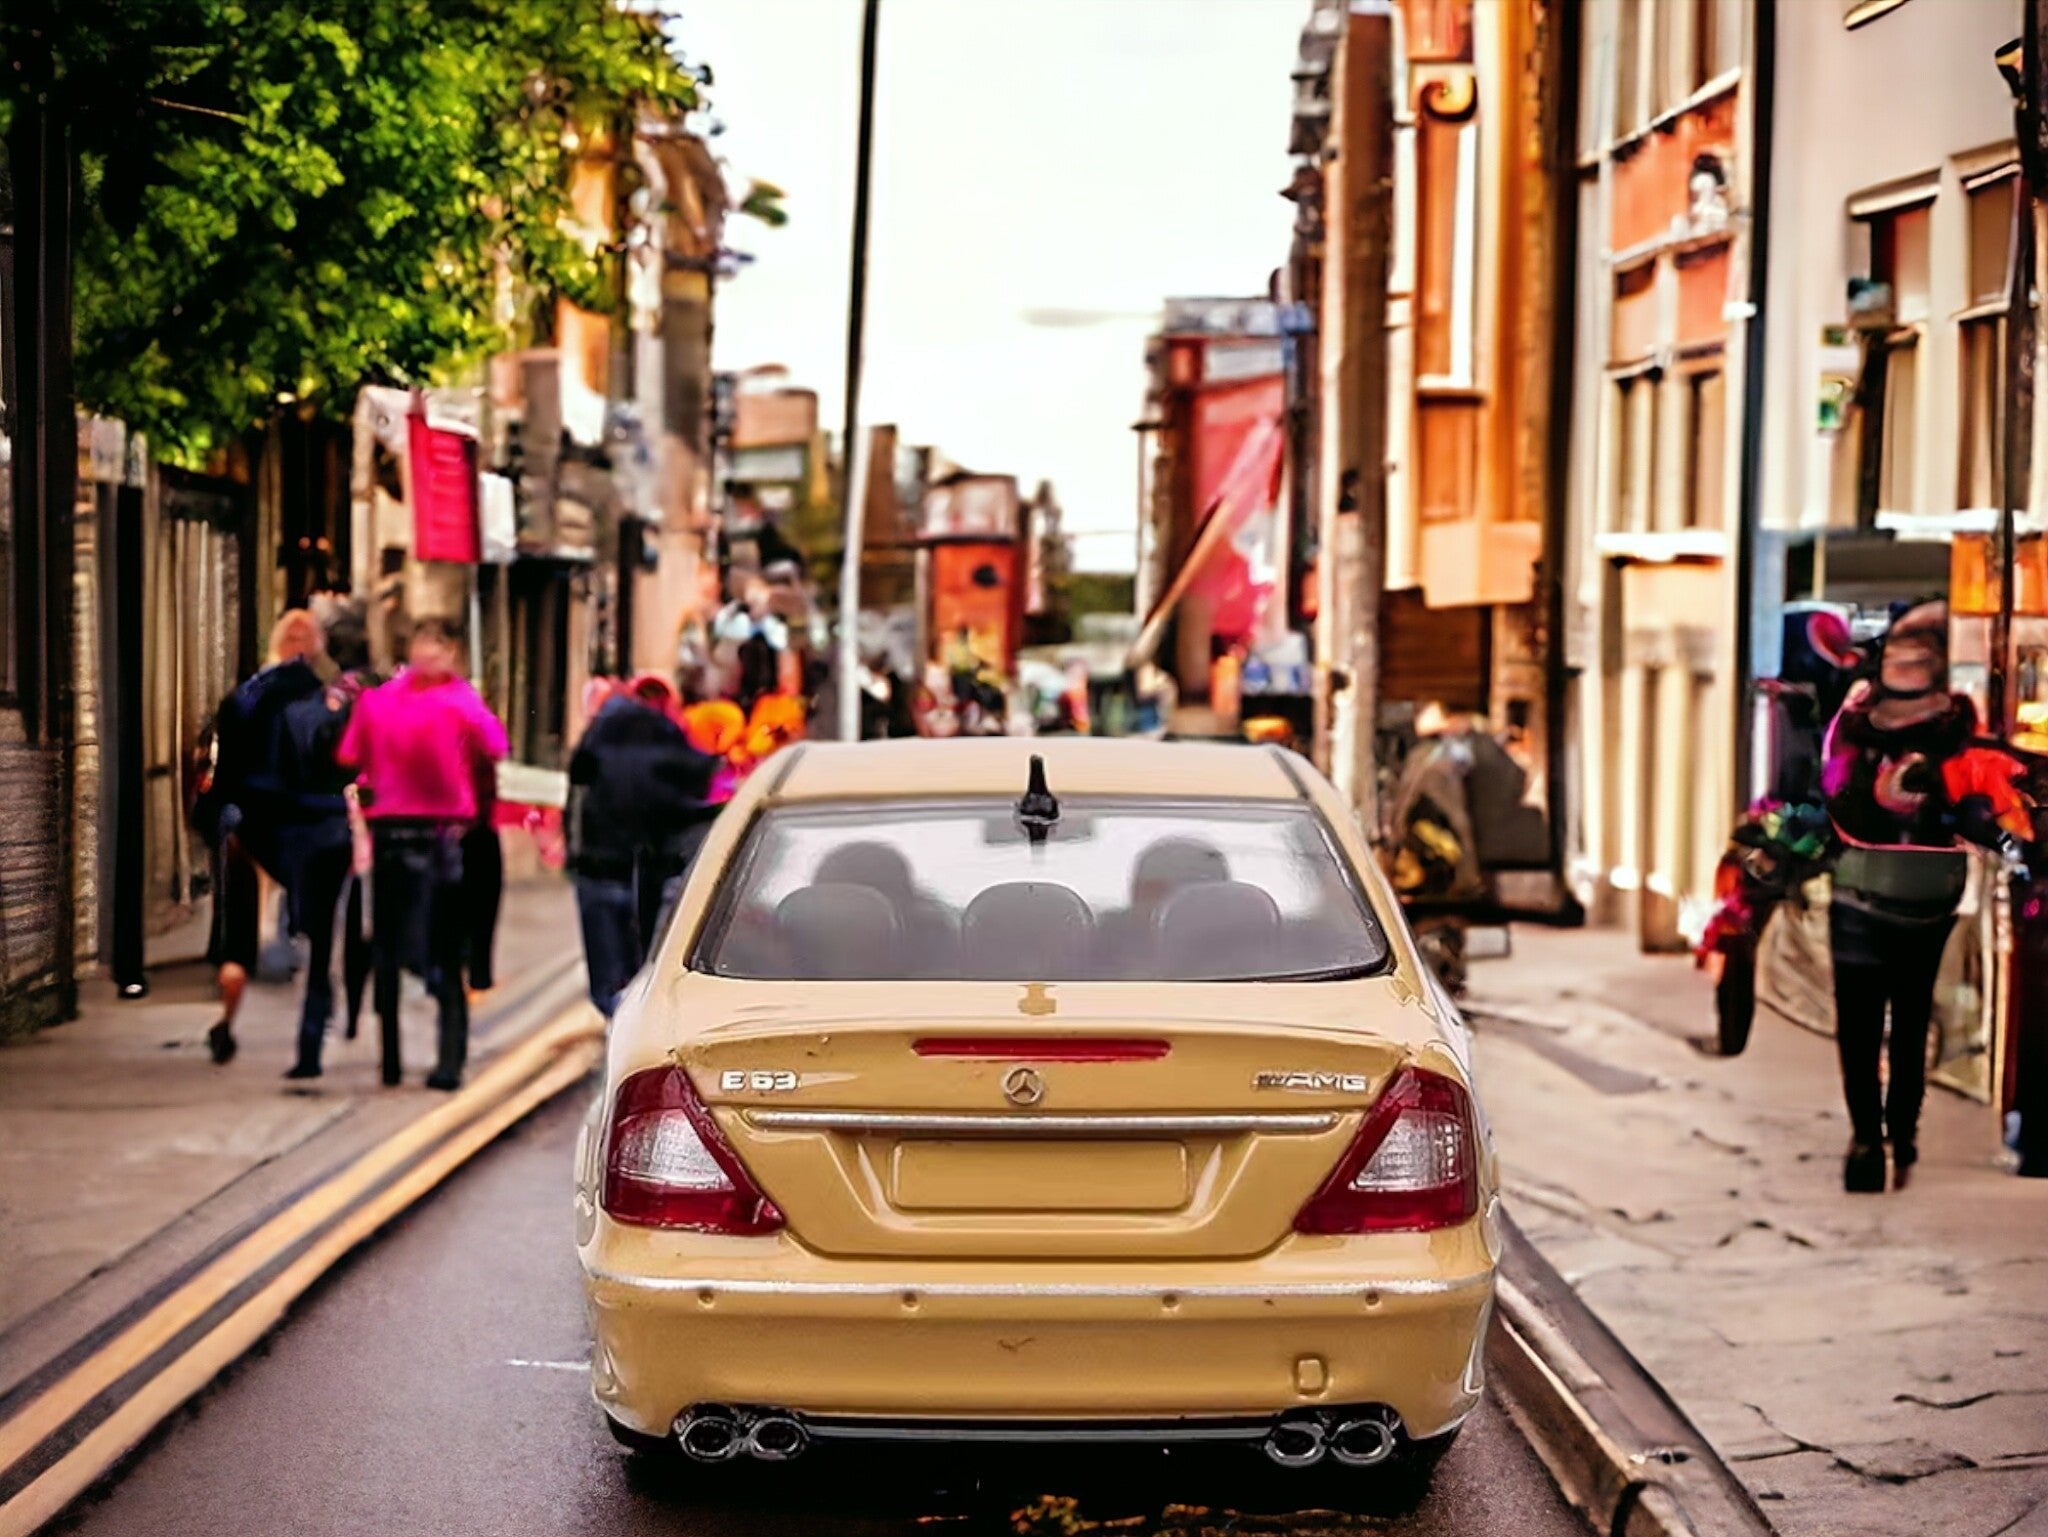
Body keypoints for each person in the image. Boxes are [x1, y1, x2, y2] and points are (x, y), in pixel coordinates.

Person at [1817, 601, 2036, 1191]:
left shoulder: (1852, 729)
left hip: (1860, 888)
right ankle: (1903, 1132)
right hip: (1931, 894)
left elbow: (1832, 796)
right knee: (1911, 1016)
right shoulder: (1959, 738)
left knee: (1859, 1026)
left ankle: (1866, 1142)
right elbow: (1986, 808)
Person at [338, 618, 508, 1090]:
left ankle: (393, 1063)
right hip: (440, 839)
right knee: (443, 954)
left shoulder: (377, 702)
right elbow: (497, 745)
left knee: (391, 953)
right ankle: (446, 1063)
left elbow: (350, 755)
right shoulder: (459, 701)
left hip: (395, 837)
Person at [190, 611, 329, 1065]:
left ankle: (228, 1020)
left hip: (245, 826)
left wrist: (214, 818)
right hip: (305, 829)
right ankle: (313, 1029)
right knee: (320, 930)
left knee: (238, 937)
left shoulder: (243, 698)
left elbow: (224, 773)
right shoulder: (324, 699)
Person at [567, 675, 723, 1016]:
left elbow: (577, 786)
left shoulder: (600, 739)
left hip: (601, 869)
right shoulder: (667, 738)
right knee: (648, 980)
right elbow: (698, 787)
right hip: (651, 871)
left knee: (609, 987)